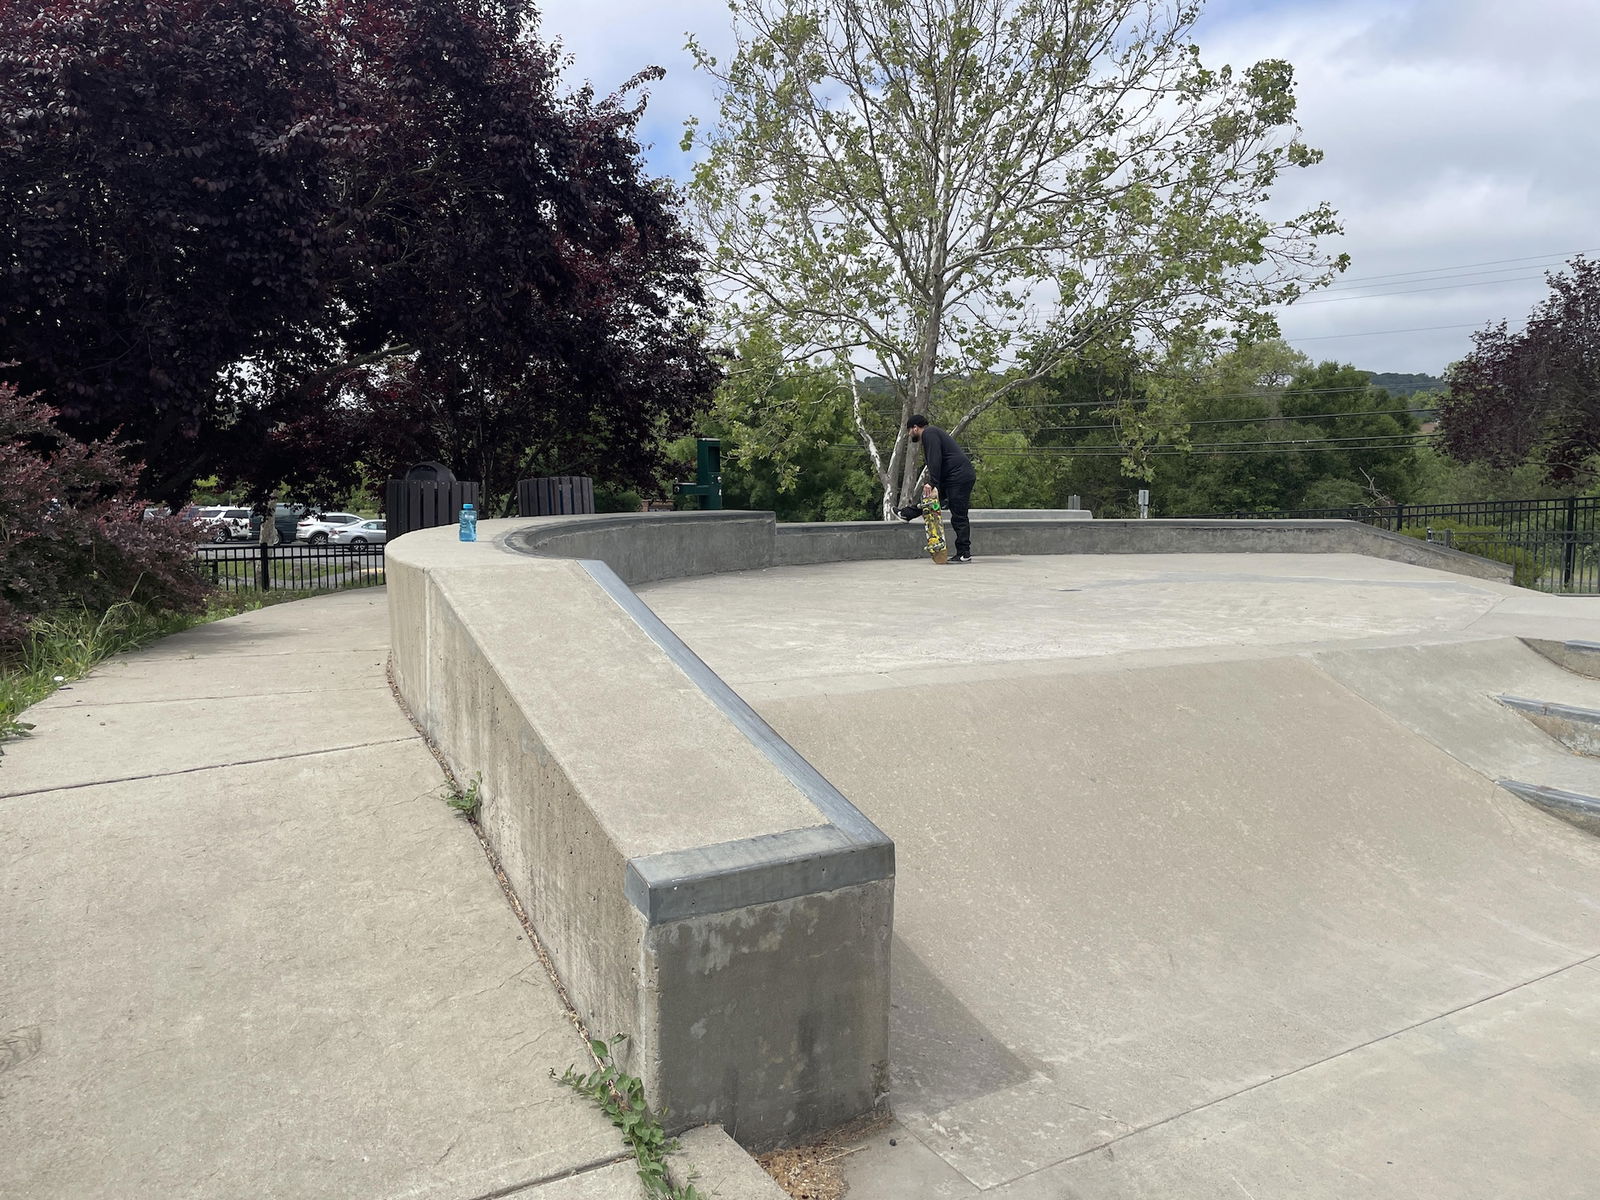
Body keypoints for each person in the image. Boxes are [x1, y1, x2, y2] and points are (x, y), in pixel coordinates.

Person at [903, 414, 976, 562]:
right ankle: (907, 513)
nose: (909, 434)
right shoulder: (932, 434)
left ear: (915, 428)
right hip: (952, 477)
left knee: (959, 514)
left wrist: (933, 482)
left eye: (909, 430)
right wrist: (935, 484)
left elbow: (935, 458)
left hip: (959, 477)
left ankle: (964, 553)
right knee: (929, 501)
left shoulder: (929, 433)